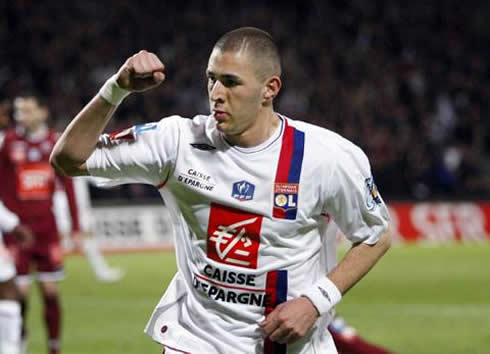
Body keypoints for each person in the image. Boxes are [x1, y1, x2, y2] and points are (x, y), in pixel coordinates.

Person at [51, 27, 391, 353]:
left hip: (292, 345)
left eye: (231, 82)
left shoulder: (326, 157)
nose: (216, 92)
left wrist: (316, 302)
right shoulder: (177, 143)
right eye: (211, 78)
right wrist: (116, 89)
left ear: (269, 89)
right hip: (197, 340)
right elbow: (68, 160)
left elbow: (376, 235)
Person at [0, 95, 82, 354]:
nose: (20, 115)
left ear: (43, 112)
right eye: (18, 110)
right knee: (19, 294)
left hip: (47, 230)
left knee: (49, 292)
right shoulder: (9, 142)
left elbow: (68, 187)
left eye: (26, 110)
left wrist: (76, 227)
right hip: (17, 232)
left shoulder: (55, 143)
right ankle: (18, 343)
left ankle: (53, 347)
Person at [323, 219, 393, 354]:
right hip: (315, 302)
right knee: (349, 343)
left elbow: (379, 236)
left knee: (350, 342)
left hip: (317, 303)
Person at [53, 176, 124, 282]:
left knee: (86, 237)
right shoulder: (66, 165)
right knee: (58, 240)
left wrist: (118, 179)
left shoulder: (77, 166)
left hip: (77, 207)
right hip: (63, 205)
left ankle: (101, 271)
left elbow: (97, 178)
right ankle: (52, 271)